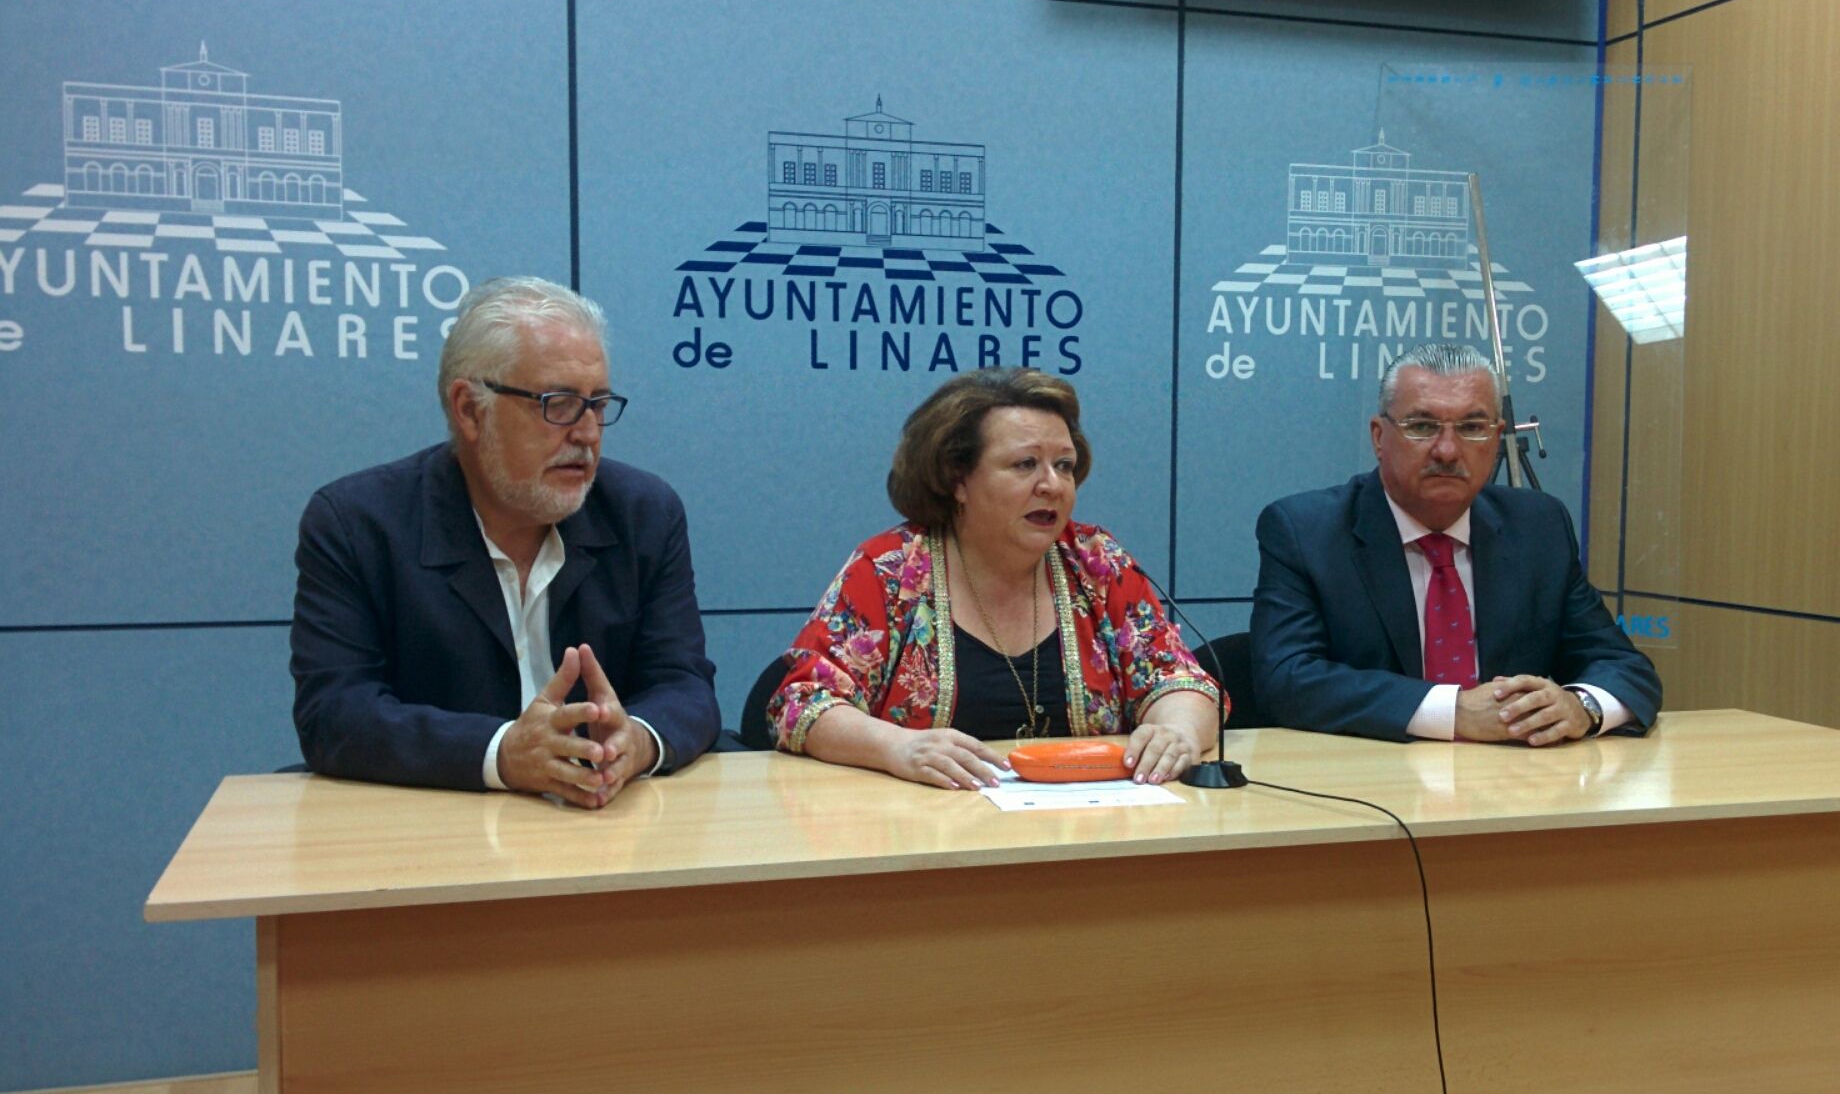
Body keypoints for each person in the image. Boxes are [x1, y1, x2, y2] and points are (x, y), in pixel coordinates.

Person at [290, 276, 720, 805]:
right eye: (559, 404)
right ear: (471, 410)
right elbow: (336, 713)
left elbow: (685, 685)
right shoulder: (359, 524)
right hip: (437, 837)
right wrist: (501, 753)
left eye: (598, 404)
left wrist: (639, 738)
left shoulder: (643, 514)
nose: (586, 433)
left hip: (603, 826)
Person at [769, 368, 1222, 789]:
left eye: (1064, 465)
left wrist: (1175, 732)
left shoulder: (1096, 562)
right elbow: (802, 704)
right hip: (927, 835)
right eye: (1025, 464)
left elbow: (1182, 682)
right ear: (957, 480)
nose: (1053, 485)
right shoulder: (891, 569)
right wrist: (896, 748)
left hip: (1084, 832)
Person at [1251, 343, 1660, 745]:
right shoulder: (1306, 531)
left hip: (1515, 786)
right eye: (1422, 427)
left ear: (1498, 437)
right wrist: (1453, 712)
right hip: (1372, 784)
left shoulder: (1539, 527)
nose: (1447, 450)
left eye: (1472, 428)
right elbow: (1285, 679)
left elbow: (1625, 666)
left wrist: (1581, 707)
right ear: (1379, 436)